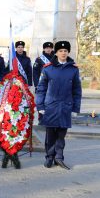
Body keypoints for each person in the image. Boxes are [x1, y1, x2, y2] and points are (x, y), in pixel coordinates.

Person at [35, 41, 82, 170]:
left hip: (66, 107)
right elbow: (41, 89)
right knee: (50, 135)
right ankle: (49, 158)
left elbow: (77, 90)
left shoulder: (73, 69)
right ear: (56, 53)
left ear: (68, 52)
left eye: (65, 51)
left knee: (61, 135)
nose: (63, 53)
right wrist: (40, 107)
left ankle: (59, 158)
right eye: (60, 51)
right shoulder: (47, 68)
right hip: (50, 107)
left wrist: (75, 108)